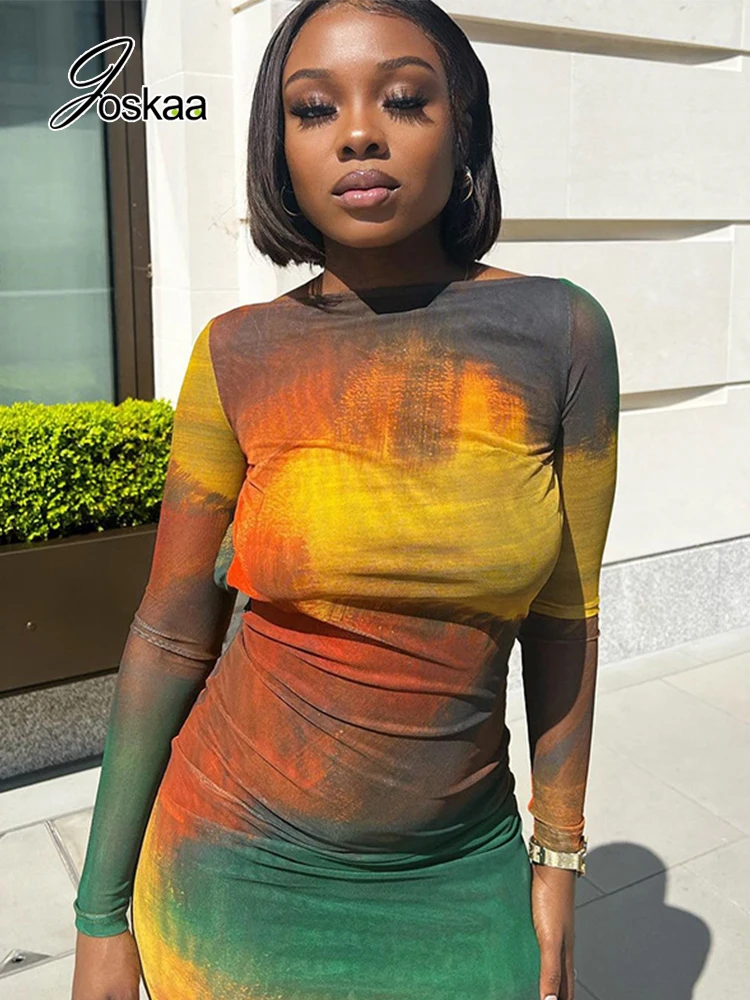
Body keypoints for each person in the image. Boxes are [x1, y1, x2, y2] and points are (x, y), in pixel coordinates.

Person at [71, 1, 620, 998]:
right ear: (278, 151)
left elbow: (564, 621)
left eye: (403, 98)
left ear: (463, 128)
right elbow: (169, 636)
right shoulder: (237, 353)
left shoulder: (560, 333)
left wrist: (559, 860)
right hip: (232, 864)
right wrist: (99, 917)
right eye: (314, 108)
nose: (359, 132)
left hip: (459, 869)